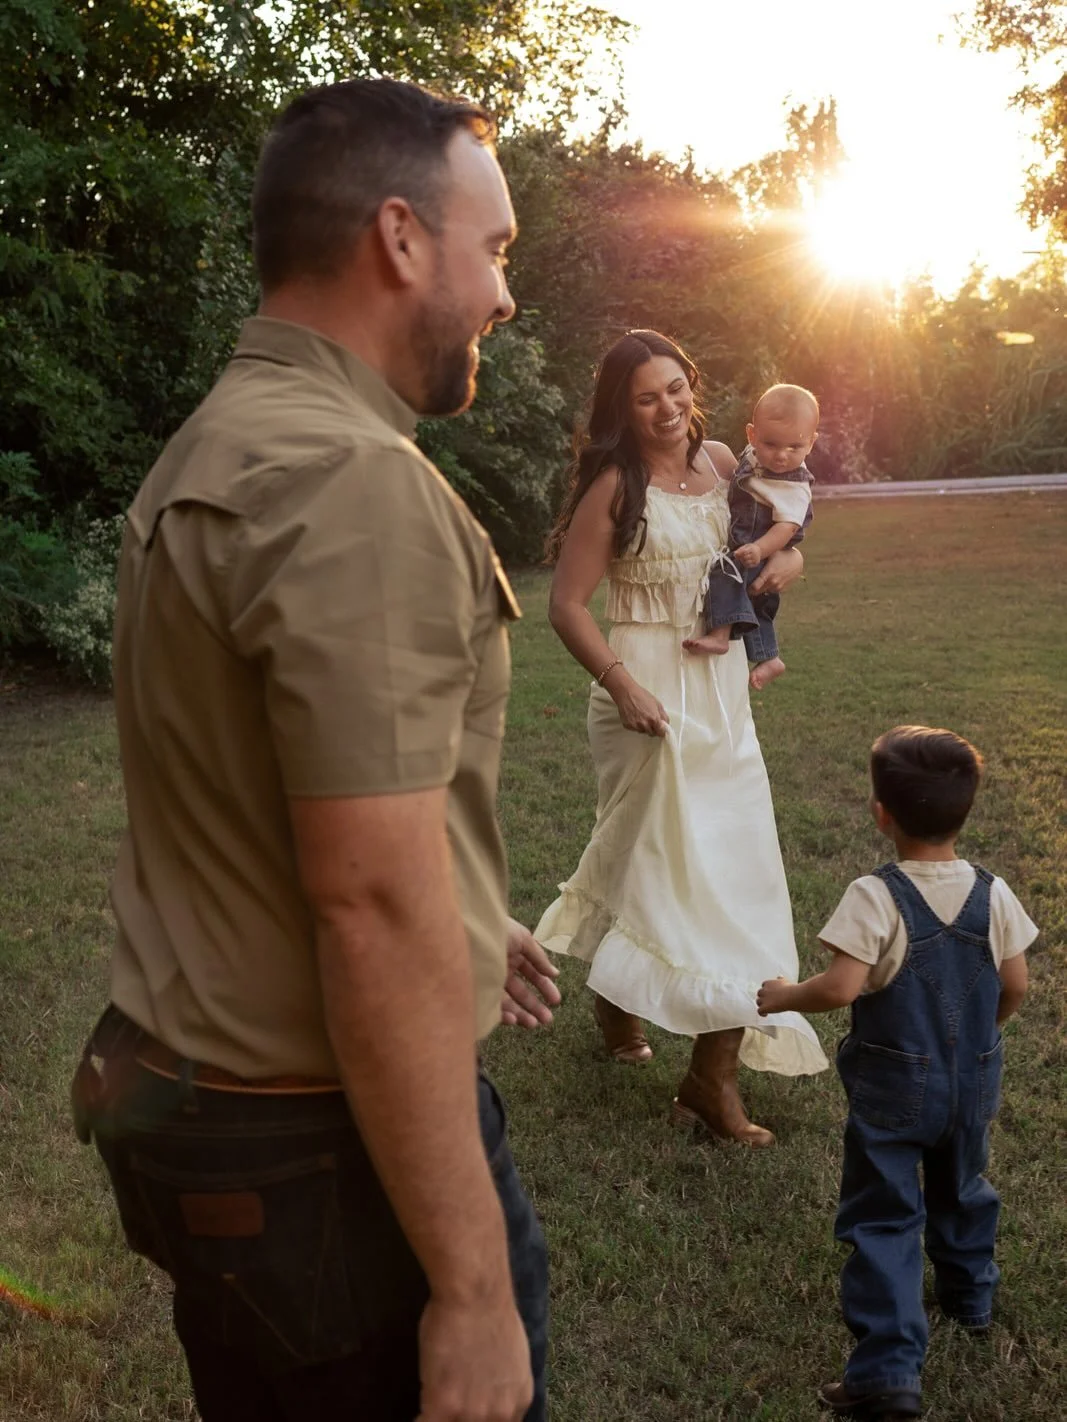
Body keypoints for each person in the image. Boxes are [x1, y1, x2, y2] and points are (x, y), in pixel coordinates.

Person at [69, 78, 560, 1422]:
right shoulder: (353, 481)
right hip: (326, 1161)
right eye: (497, 247)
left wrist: (466, 918)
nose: (507, 295)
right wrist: (466, 1289)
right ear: (401, 238)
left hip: (207, 1118)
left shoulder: (214, 441)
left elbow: (269, 792)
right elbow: (367, 896)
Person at [535, 330, 828, 1149]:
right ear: (620, 410)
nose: (665, 409)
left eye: (674, 390)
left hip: (719, 686)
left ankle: (705, 1072)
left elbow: (782, 540)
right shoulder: (613, 484)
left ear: (690, 388)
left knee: (729, 865)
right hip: (644, 690)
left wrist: (787, 567)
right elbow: (566, 604)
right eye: (644, 397)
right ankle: (657, 1031)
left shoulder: (726, 463)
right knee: (658, 856)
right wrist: (620, 683)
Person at [757, 725, 1036, 1420]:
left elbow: (841, 988)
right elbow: (1016, 983)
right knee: (963, 1185)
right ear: (965, 809)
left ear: (879, 813)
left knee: (883, 1215)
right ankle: (969, 1297)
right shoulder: (990, 892)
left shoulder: (874, 896)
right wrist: (983, 1037)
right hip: (972, 1079)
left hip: (891, 1090)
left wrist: (784, 996)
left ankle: (886, 1370)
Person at [688, 383, 817, 690]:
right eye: (771, 444)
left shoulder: (793, 486)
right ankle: (769, 657)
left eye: (794, 447)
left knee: (726, 573)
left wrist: (760, 550)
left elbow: (786, 528)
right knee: (755, 603)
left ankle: (721, 635)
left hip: (762, 543)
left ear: (811, 443)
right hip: (751, 542)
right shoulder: (752, 458)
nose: (782, 456)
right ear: (751, 435)